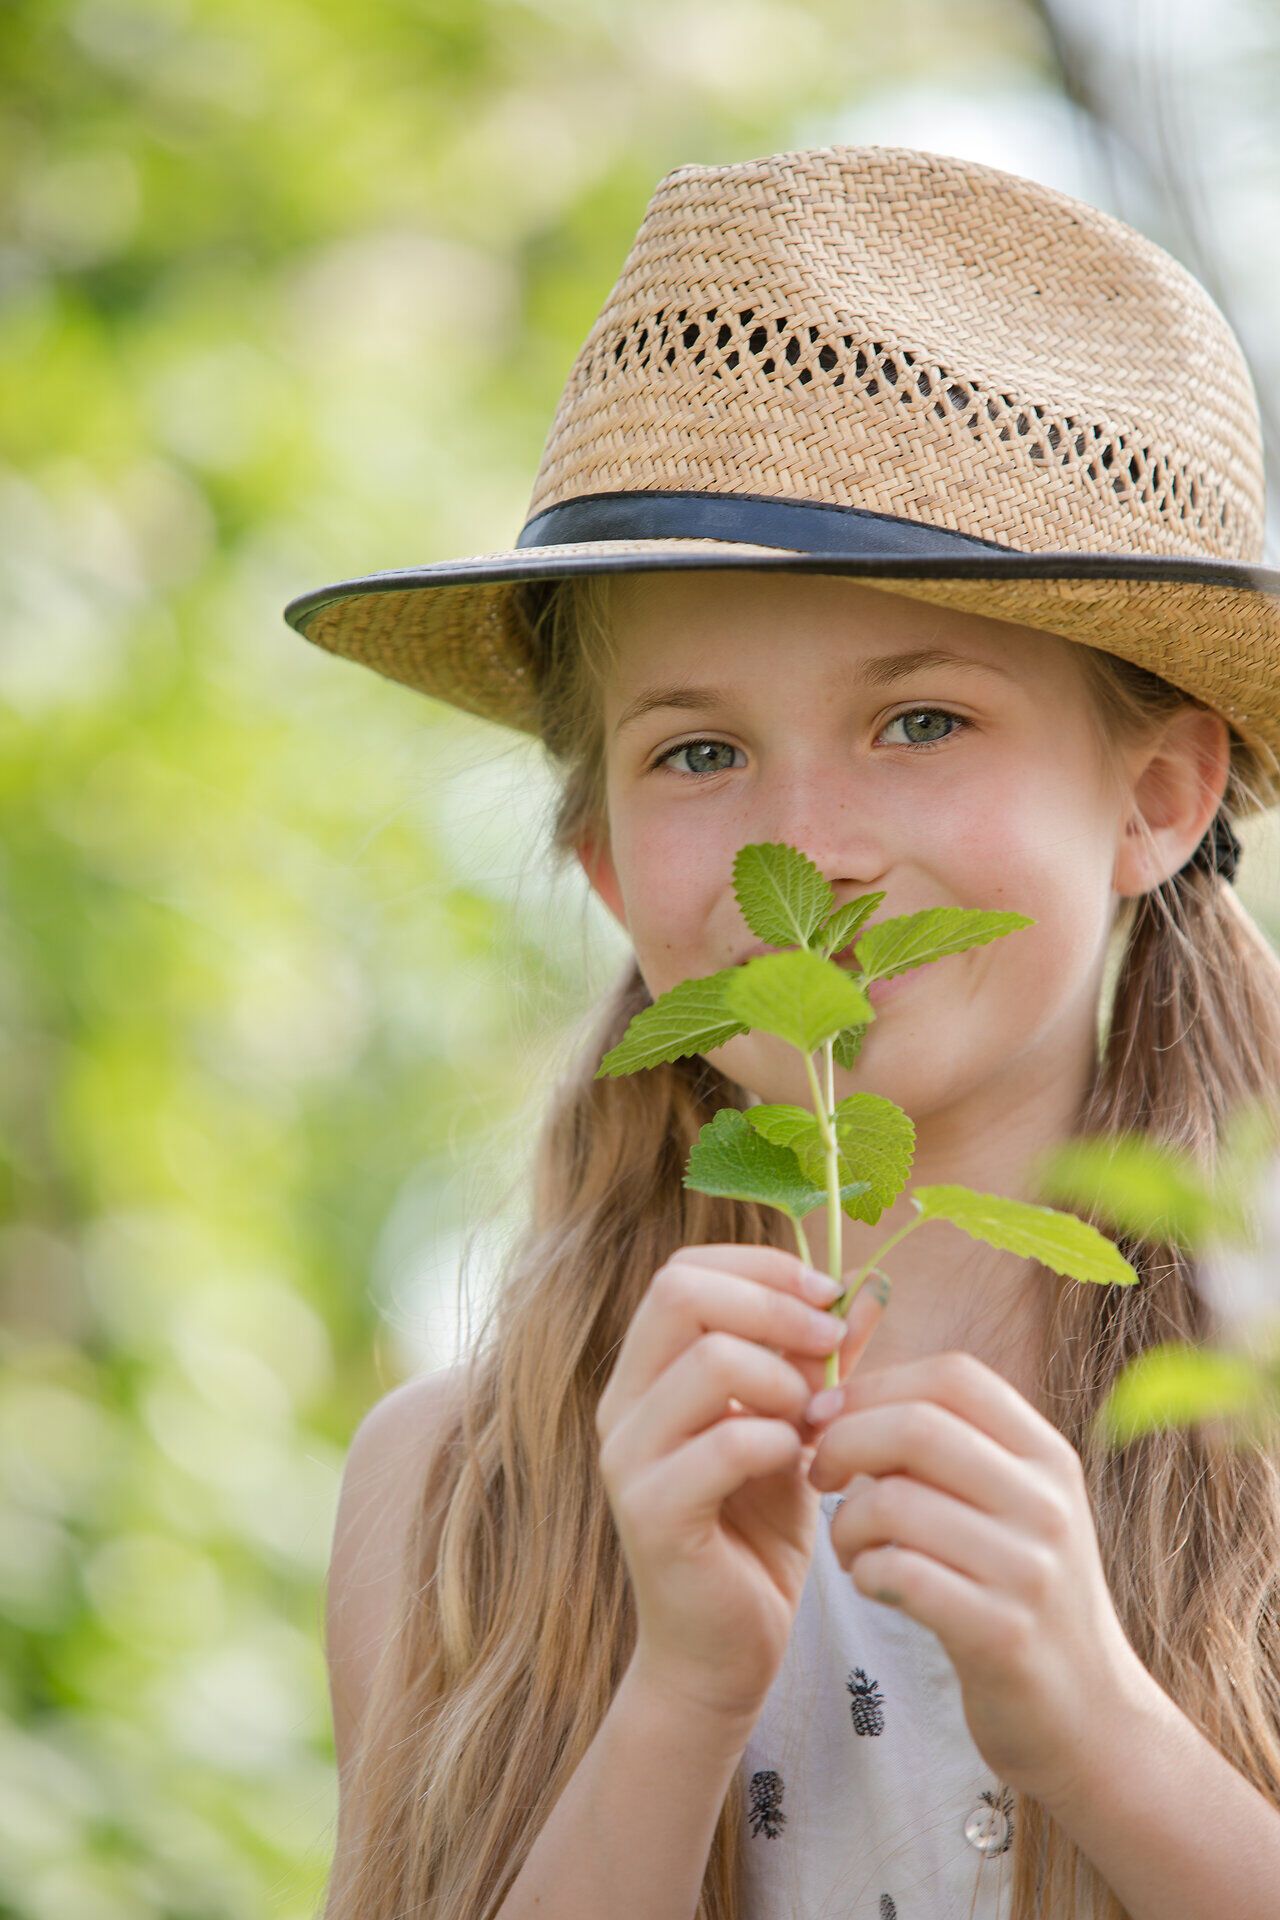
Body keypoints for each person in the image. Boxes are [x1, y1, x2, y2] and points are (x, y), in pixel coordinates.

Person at [283, 145, 1280, 1920]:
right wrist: (679, 1692)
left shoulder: (1257, 1410)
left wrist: (1102, 1733)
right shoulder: (455, 1491)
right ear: (603, 862)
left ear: (1154, 790)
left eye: (920, 720)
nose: (803, 845)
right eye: (698, 752)